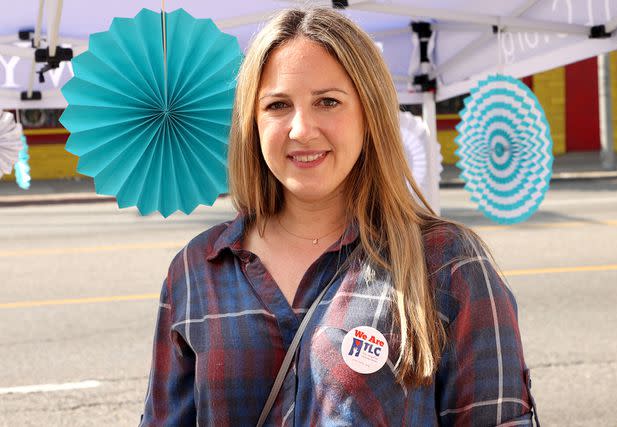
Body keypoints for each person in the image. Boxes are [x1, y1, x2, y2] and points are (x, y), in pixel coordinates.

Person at [140, 7, 538, 426]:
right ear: (251, 123)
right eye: (277, 105)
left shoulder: (447, 262)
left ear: (370, 114)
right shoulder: (195, 270)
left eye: (328, 102)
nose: (301, 129)